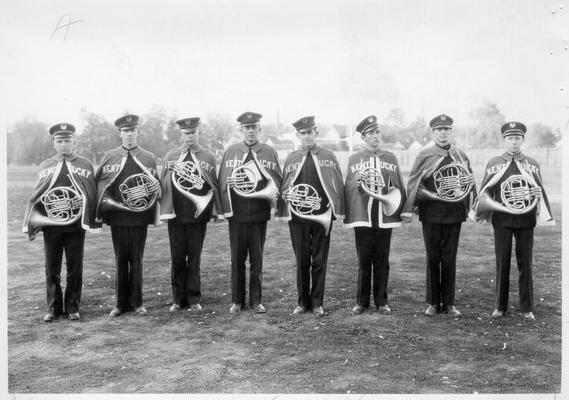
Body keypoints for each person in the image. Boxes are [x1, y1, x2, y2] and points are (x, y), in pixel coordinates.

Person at [470, 121, 554, 320]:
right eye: (510, 138)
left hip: (526, 219)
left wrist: (535, 191)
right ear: (504, 140)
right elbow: (485, 191)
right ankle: (500, 307)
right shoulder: (494, 162)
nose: (514, 142)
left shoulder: (532, 162)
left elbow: (538, 189)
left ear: (523, 140)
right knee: (502, 262)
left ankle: (527, 308)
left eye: (517, 138)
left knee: (526, 263)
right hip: (502, 219)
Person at [23, 123, 101, 322]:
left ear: (74, 141)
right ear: (54, 144)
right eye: (60, 141)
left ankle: (73, 307)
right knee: (52, 268)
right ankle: (53, 308)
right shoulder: (45, 165)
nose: (64, 144)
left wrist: (80, 202)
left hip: (75, 226)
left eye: (68, 140)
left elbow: (90, 192)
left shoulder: (84, 164)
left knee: (75, 267)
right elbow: (38, 195)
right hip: (51, 225)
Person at [400, 114, 476, 317]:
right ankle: (433, 302)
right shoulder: (424, 154)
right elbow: (414, 183)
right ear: (433, 133)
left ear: (451, 132)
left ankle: (449, 303)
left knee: (450, 259)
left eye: (447, 130)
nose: (443, 133)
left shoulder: (460, 155)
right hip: (431, 213)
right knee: (433, 257)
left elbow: (468, 183)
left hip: (454, 213)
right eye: (439, 130)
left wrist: (469, 182)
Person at [277, 115, 345, 315]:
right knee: (302, 261)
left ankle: (317, 303)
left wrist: (335, 209)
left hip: (322, 215)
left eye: (310, 132)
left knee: (319, 260)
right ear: (297, 135)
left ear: (317, 133)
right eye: (303, 133)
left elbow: (337, 185)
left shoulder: (328, 156)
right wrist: (285, 194)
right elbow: (285, 184)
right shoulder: (291, 157)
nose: (307, 136)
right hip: (297, 218)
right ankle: (302, 302)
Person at [95, 114, 161, 318]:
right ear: (119, 133)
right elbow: (99, 184)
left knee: (137, 260)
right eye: (126, 131)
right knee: (121, 260)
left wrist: (157, 188)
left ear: (138, 132)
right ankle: (120, 304)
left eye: (133, 131)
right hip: (118, 217)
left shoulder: (148, 157)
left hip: (140, 217)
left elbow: (155, 187)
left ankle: (138, 303)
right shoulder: (110, 156)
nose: (129, 135)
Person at [218, 112, 282, 314]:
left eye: (254, 127)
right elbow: (222, 181)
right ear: (241, 130)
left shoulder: (269, 152)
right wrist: (229, 185)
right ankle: (237, 300)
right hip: (236, 214)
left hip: (258, 214)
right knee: (236, 259)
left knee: (257, 259)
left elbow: (277, 181)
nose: (251, 131)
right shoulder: (231, 152)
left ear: (259, 129)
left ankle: (256, 301)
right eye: (247, 128)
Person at [344, 115, 406, 315]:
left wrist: (402, 209)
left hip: (384, 215)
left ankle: (381, 300)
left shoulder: (390, 158)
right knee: (363, 260)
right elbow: (349, 187)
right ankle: (361, 302)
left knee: (382, 260)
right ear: (363, 137)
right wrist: (359, 184)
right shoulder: (354, 159)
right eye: (370, 133)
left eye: (377, 132)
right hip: (363, 215)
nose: (375, 136)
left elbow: (397, 186)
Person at [159, 117, 222, 314]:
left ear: (198, 133)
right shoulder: (171, 155)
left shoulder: (207, 156)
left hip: (198, 215)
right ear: (181, 134)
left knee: (194, 259)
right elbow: (164, 184)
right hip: (176, 215)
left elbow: (212, 185)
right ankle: (178, 300)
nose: (189, 136)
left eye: (193, 132)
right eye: (186, 133)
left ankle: (194, 298)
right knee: (177, 258)